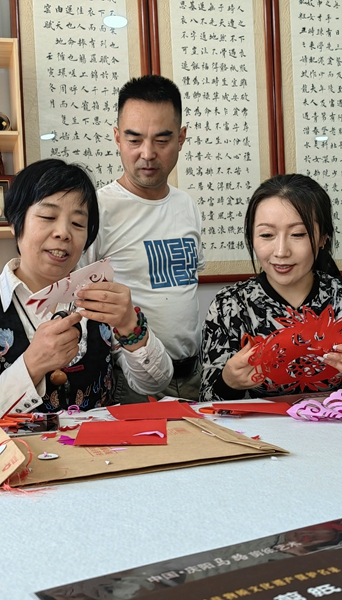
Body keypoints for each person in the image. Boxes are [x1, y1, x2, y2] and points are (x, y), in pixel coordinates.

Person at [0, 159, 173, 416]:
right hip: (18, 442)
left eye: (77, 224)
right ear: (15, 223)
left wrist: (130, 325)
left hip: (101, 441)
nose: (63, 233)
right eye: (48, 217)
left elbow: (154, 384)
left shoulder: (101, 294)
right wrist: (33, 364)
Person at [201, 174, 342, 402]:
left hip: (333, 417)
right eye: (266, 235)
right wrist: (228, 382)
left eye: (298, 234)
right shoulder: (229, 304)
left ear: (323, 238)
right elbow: (207, 400)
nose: (281, 251)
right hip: (258, 422)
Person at [79, 75, 205, 402]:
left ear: (181, 138)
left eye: (162, 140)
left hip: (195, 375)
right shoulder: (97, 210)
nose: (147, 154)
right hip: (131, 380)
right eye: (134, 140)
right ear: (117, 137)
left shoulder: (187, 205)